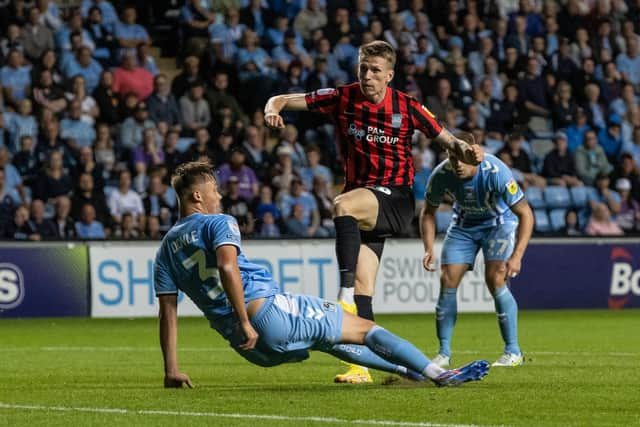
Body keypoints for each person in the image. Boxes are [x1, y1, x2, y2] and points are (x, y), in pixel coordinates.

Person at [153, 161, 490, 388]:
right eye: (213, 189)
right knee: (365, 327)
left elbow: (168, 312)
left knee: (331, 340)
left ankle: (410, 372)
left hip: (250, 349)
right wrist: (245, 319)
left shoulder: (165, 249)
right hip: (266, 316)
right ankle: (438, 373)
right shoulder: (218, 222)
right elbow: (228, 267)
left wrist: (171, 371)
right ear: (197, 195)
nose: (219, 194)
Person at [263, 40, 483, 383]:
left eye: (375, 70)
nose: (367, 75)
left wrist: (467, 151)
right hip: (366, 202)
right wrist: (271, 110)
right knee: (366, 288)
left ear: (389, 75)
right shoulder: (342, 97)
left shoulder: (407, 106)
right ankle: (360, 367)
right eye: (363, 68)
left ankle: (342, 295)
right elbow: (283, 99)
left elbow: (449, 140)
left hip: (395, 199)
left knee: (342, 204)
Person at [420, 135, 534, 368]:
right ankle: (443, 353)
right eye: (453, 158)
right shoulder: (441, 174)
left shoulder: (496, 171)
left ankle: (513, 351)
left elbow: (525, 213)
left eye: (462, 158)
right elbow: (428, 212)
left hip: (498, 224)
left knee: (494, 278)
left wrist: (518, 256)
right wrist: (428, 248)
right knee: (447, 279)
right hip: (464, 226)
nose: (457, 164)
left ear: (474, 155)